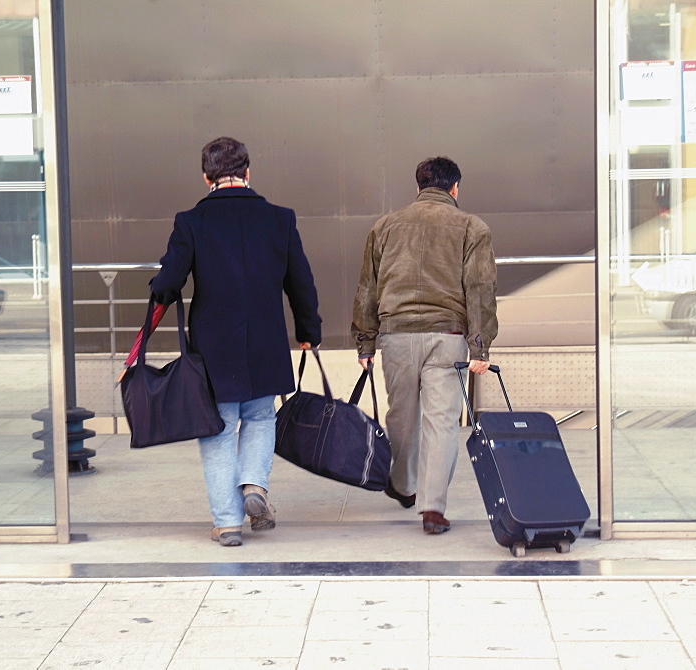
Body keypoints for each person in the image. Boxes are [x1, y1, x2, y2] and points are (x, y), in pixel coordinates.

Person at [148, 137, 322, 547]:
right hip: (265, 341)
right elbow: (301, 282)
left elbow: (168, 283)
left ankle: (227, 522)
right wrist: (308, 332)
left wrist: (160, 282)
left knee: (219, 429)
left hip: (214, 347)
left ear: (205, 176)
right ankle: (254, 486)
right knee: (261, 417)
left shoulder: (191, 221)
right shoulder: (280, 219)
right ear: (248, 172)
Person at [351, 156, 498, 535]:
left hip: (396, 335)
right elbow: (480, 288)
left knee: (401, 417)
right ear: (455, 188)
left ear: (418, 187)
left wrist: (366, 342)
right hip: (447, 338)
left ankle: (402, 484)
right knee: (442, 422)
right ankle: (433, 508)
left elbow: (368, 288)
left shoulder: (384, 226)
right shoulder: (471, 227)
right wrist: (480, 347)